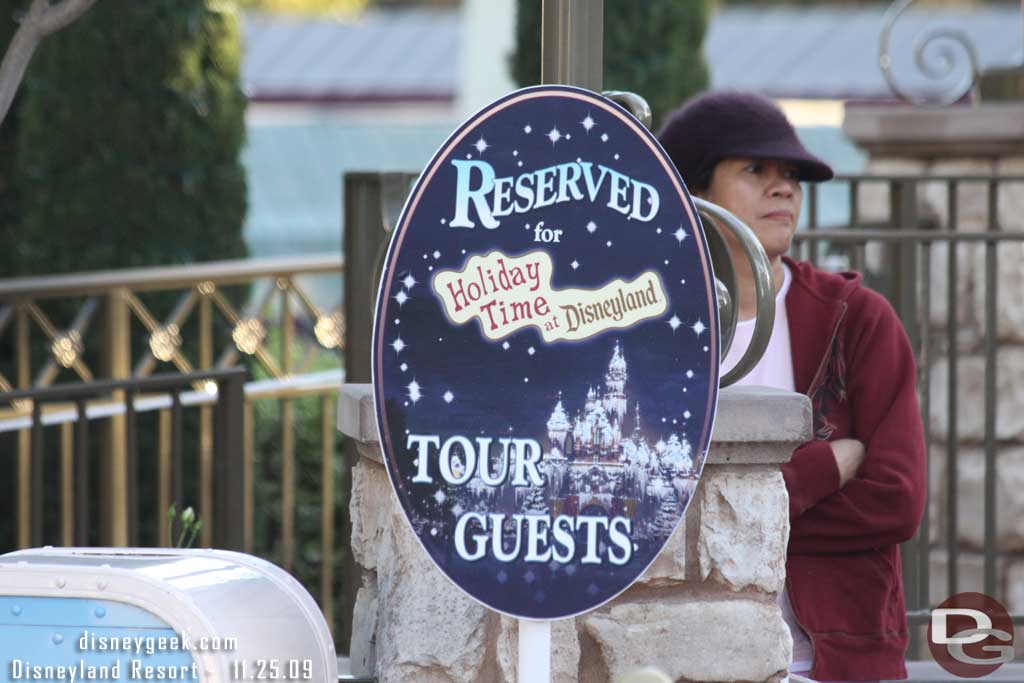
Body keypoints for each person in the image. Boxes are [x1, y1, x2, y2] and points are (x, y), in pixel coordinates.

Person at [657, 91, 926, 682]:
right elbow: (649, 505)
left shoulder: (857, 318)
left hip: (838, 661)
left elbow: (897, 500)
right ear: (694, 196)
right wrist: (823, 470)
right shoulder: (652, 328)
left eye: (792, 176)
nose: (784, 189)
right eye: (756, 170)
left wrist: (727, 523)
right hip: (689, 657)